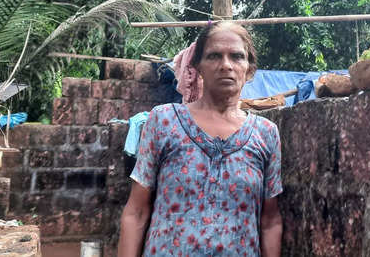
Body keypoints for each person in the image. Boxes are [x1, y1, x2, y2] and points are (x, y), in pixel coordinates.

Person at [118, 21, 283, 257]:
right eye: (214, 56)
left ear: (249, 69)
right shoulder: (164, 121)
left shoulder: (266, 134)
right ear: (198, 66)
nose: (226, 65)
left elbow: (270, 221)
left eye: (236, 57)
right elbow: (136, 211)